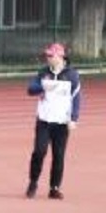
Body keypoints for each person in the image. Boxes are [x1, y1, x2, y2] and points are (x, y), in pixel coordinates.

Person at [25, 41, 80, 199]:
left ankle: (54, 188)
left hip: (61, 123)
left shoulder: (72, 75)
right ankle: (33, 182)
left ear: (60, 57)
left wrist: (74, 118)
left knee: (59, 155)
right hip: (44, 121)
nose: (48, 58)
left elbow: (76, 98)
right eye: (47, 56)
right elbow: (30, 89)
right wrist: (43, 87)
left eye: (51, 56)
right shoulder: (43, 73)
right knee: (39, 151)